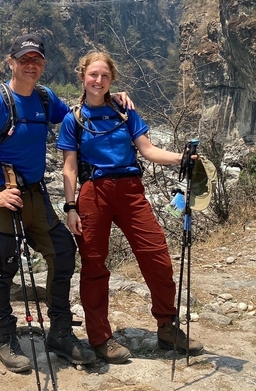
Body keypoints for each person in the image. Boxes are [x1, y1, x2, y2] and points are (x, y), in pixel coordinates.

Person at [0, 34, 132, 373]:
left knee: (63, 250)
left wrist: (111, 97)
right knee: (6, 264)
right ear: (11, 62)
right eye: (24, 59)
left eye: (36, 60)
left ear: (42, 65)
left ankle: (59, 332)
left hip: (36, 194)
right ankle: (6, 337)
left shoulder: (44, 98)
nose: (31, 65)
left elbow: (78, 112)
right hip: (4, 194)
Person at [57, 50, 204, 364]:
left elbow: (148, 150)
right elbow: (69, 168)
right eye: (93, 75)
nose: (98, 80)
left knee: (157, 255)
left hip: (130, 191)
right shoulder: (74, 119)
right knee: (94, 267)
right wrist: (71, 207)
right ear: (82, 77)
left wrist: (182, 159)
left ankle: (167, 326)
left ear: (112, 80)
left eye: (105, 76)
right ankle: (100, 338)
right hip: (93, 192)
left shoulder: (125, 111)